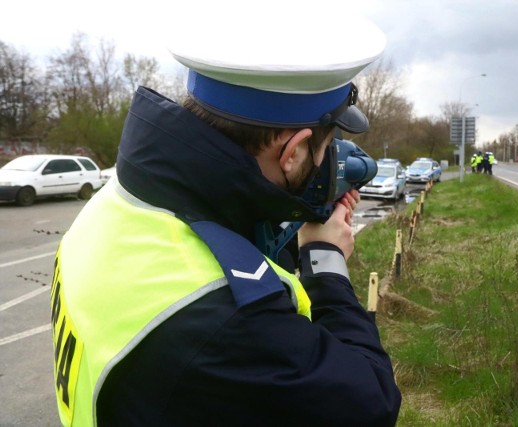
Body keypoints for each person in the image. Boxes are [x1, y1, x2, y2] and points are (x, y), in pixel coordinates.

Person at [50, 7, 401, 427]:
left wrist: (286, 219)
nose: (330, 160)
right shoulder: (229, 317)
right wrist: (326, 260)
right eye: (325, 148)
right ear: (291, 154)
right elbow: (371, 402)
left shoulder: (117, 205)